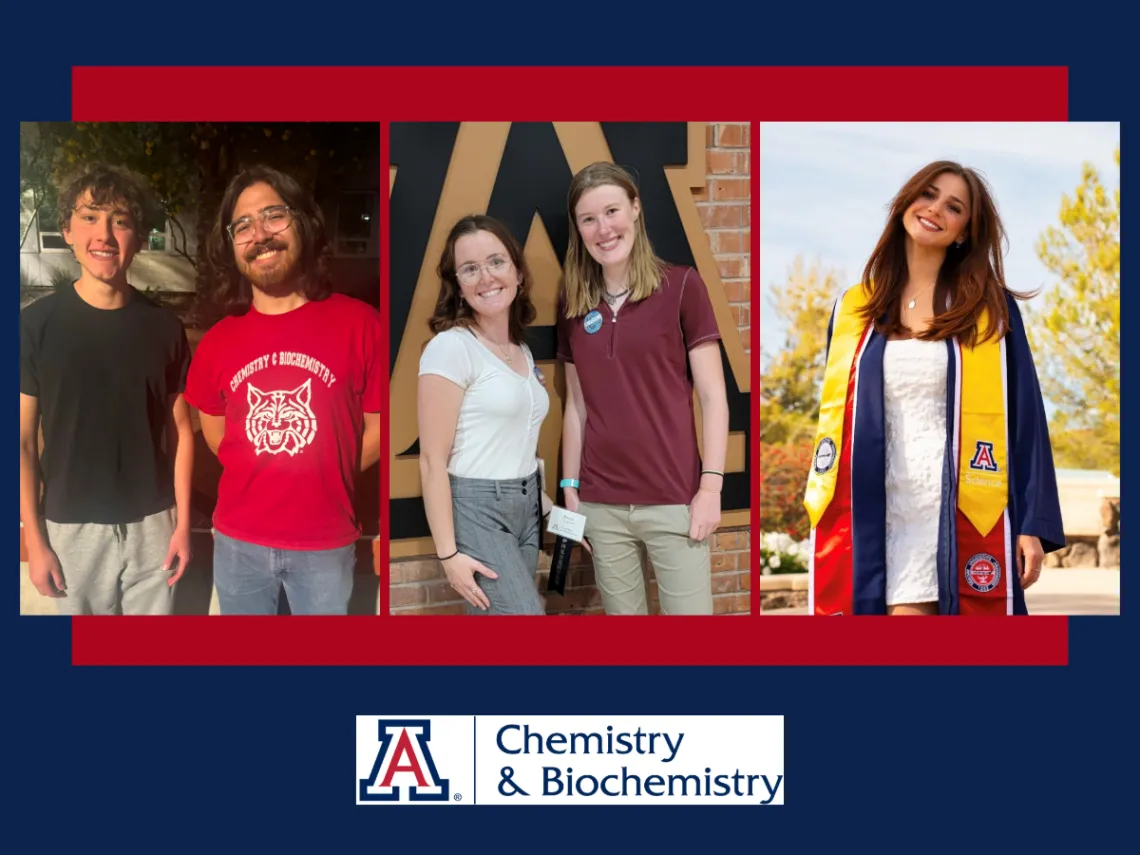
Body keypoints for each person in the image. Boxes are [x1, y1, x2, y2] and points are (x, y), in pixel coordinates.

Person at [803, 160, 1066, 616]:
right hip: (873, 507)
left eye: (954, 207)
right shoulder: (854, 308)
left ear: (964, 230)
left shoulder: (989, 310)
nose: (935, 209)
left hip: (954, 507)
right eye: (927, 194)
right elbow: (835, 419)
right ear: (907, 201)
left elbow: (1025, 419)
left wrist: (1031, 524)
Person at [184, 165, 382, 615]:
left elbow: (380, 429)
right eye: (243, 225)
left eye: (274, 216)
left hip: (326, 542)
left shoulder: (360, 324)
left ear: (304, 224)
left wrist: (324, 467)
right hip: (237, 543)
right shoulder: (218, 341)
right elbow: (217, 435)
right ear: (231, 244)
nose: (260, 234)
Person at [20, 162, 194, 615]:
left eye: (121, 221)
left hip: (154, 524)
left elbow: (182, 433)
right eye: (91, 217)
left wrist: (182, 523)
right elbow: (20, 441)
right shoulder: (35, 325)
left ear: (137, 238)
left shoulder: (164, 327)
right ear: (68, 232)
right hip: (71, 527)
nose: (105, 235)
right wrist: (35, 541)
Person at [556, 162, 730, 615]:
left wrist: (710, 488)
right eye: (588, 219)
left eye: (612, 211)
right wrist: (571, 489)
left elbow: (713, 397)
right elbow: (576, 407)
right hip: (601, 504)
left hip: (676, 500)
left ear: (635, 209)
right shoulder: (573, 303)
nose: (603, 229)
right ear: (578, 228)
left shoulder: (681, 286)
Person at [417, 215, 551, 615]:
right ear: (457, 284)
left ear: (517, 272)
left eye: (496, 262)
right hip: (477, 510)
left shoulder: (521, 352)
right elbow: (431, 461)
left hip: (527, 507)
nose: (486, 277)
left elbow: (516, 446)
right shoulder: (450, 348)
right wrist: (447, 556)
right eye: (470, 269)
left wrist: (553, 512)